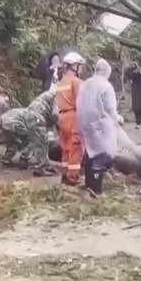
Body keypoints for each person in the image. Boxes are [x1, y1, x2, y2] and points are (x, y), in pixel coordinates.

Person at [76, 59, 122, 195]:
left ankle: (89, 185)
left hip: (84, 122)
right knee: (101, 155)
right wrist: (117, 119)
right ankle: (95, 191)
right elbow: (110, 108)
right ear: (107, 72)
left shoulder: (85, 83)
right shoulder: (106, 86)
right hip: (100, 124)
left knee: (90, 153)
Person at [0, 88, 57, 175]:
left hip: (4, 121)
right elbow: (55, 115)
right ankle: (27, 160)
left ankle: (6, 159)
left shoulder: (30, 107)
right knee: (31, 139)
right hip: (17, 121)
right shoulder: (56, 97)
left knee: (13, 142)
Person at [55, 51, 86, 186]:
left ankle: (65, 173)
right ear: (74, 66)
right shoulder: (77, 82)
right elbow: (82, 102)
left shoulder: (61, 82)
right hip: (74, 116)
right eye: (79, 65)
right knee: (75, 148)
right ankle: (73, 177)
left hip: (62, 117)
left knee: (65, 147)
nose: (81, 68)